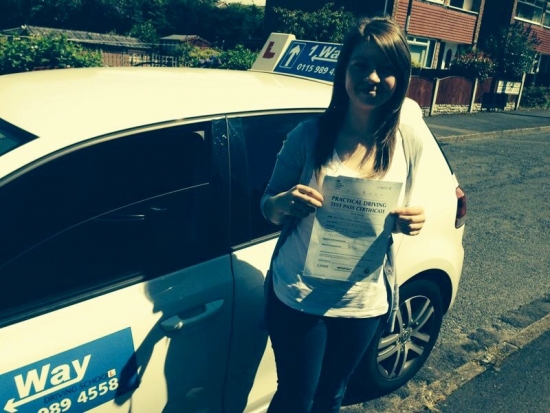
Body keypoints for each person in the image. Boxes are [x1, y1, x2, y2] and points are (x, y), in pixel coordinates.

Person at [260, 16, 426, 413]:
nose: (372, 77)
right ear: (344, 72)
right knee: (295, 398)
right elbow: (267, 207)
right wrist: (283, 203)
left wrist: (413, 222)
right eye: (361, 65)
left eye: (386, 69)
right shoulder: (308, 136)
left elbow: (403, 210)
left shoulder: (408, 141)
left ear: (400, 77)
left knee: (333, 395)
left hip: (363, 302)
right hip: (300, 296)